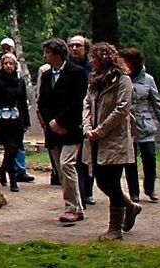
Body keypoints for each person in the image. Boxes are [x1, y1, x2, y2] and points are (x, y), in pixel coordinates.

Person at [82, 42, 139, 241]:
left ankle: (115, 229)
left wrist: (101, 130)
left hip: (114, 140)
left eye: (94, 58)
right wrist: (88, 127)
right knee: (101, 181)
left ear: (104, 59)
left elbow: (121, 109)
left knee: (111, 182)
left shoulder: (122, 80)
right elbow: (87, 103)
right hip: (95, 138)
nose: (91, 61)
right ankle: (130, 206)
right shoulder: (94, 80)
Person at [36, 37, 88, 224]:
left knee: (67, 164)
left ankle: (72, 208)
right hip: (52, 130)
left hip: (71, 129)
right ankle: (77, 207)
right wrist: (51, 122)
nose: (45, 56)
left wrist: (61, 121)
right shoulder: (46, 75)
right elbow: (42, 101)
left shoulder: (78, 73)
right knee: (61, 169)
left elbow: (79, 101)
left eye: (48, 52)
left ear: (57, 53)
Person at [120, 48, 160, 203]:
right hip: (127, 125)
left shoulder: (148, 79)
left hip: (144, 124)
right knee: (130, 160)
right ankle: (134, 192)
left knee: (149, 157)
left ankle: (150, 188)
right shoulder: (121, 78)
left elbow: (156, 103)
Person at [0, 38, 32, 183]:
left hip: (15, 118)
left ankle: (9, 170)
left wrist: (25, 121)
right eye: (6, 63)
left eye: (11, 63)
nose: (8, 66)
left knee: (14, 147)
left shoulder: (19, 77)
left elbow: (22, 100)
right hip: (0, 117)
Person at [68, 35, 96, 206]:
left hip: (90, 116)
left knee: (88, 157)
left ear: (86, 48)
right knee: (74, 159)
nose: (74, 48)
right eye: (71, 45)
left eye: (78, 45)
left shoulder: (92, 68)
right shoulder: (66, 67)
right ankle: (78, 192)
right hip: (72, 116)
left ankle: (88, 190)